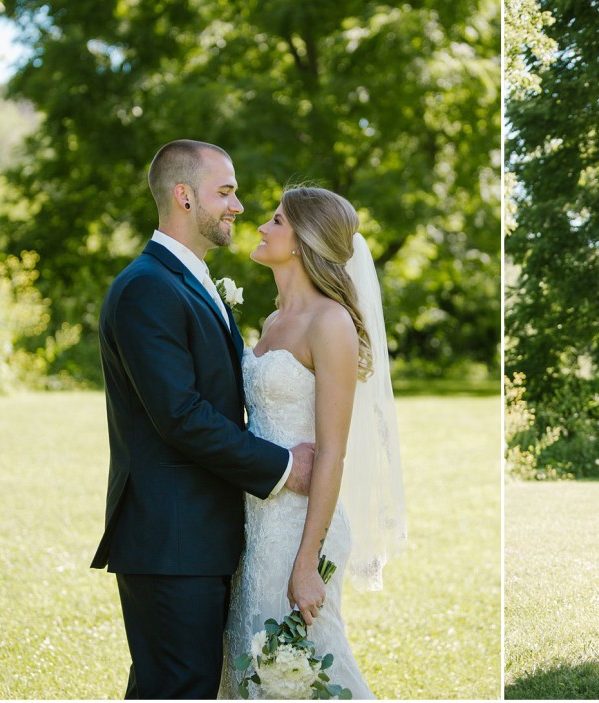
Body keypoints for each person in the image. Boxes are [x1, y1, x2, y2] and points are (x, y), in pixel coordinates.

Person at [92, 139, 316, 699]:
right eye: (226, 191)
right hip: (170, 538)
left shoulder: (186, 281)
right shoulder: (148, 288)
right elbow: (182, 416)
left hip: (196, 536)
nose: (238, 206)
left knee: (178, 687)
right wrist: (285, 467)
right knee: (177, 689)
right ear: (184, 197)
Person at [218, 187, 407, 699]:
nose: (261, 227)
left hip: (299, 529)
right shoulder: (274, 322)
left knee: (307, 674)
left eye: (275, 221)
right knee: (253, 670)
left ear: (301, 241)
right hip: (256, 522)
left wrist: (307, 561)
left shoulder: (331, 323)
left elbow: (333, 451)